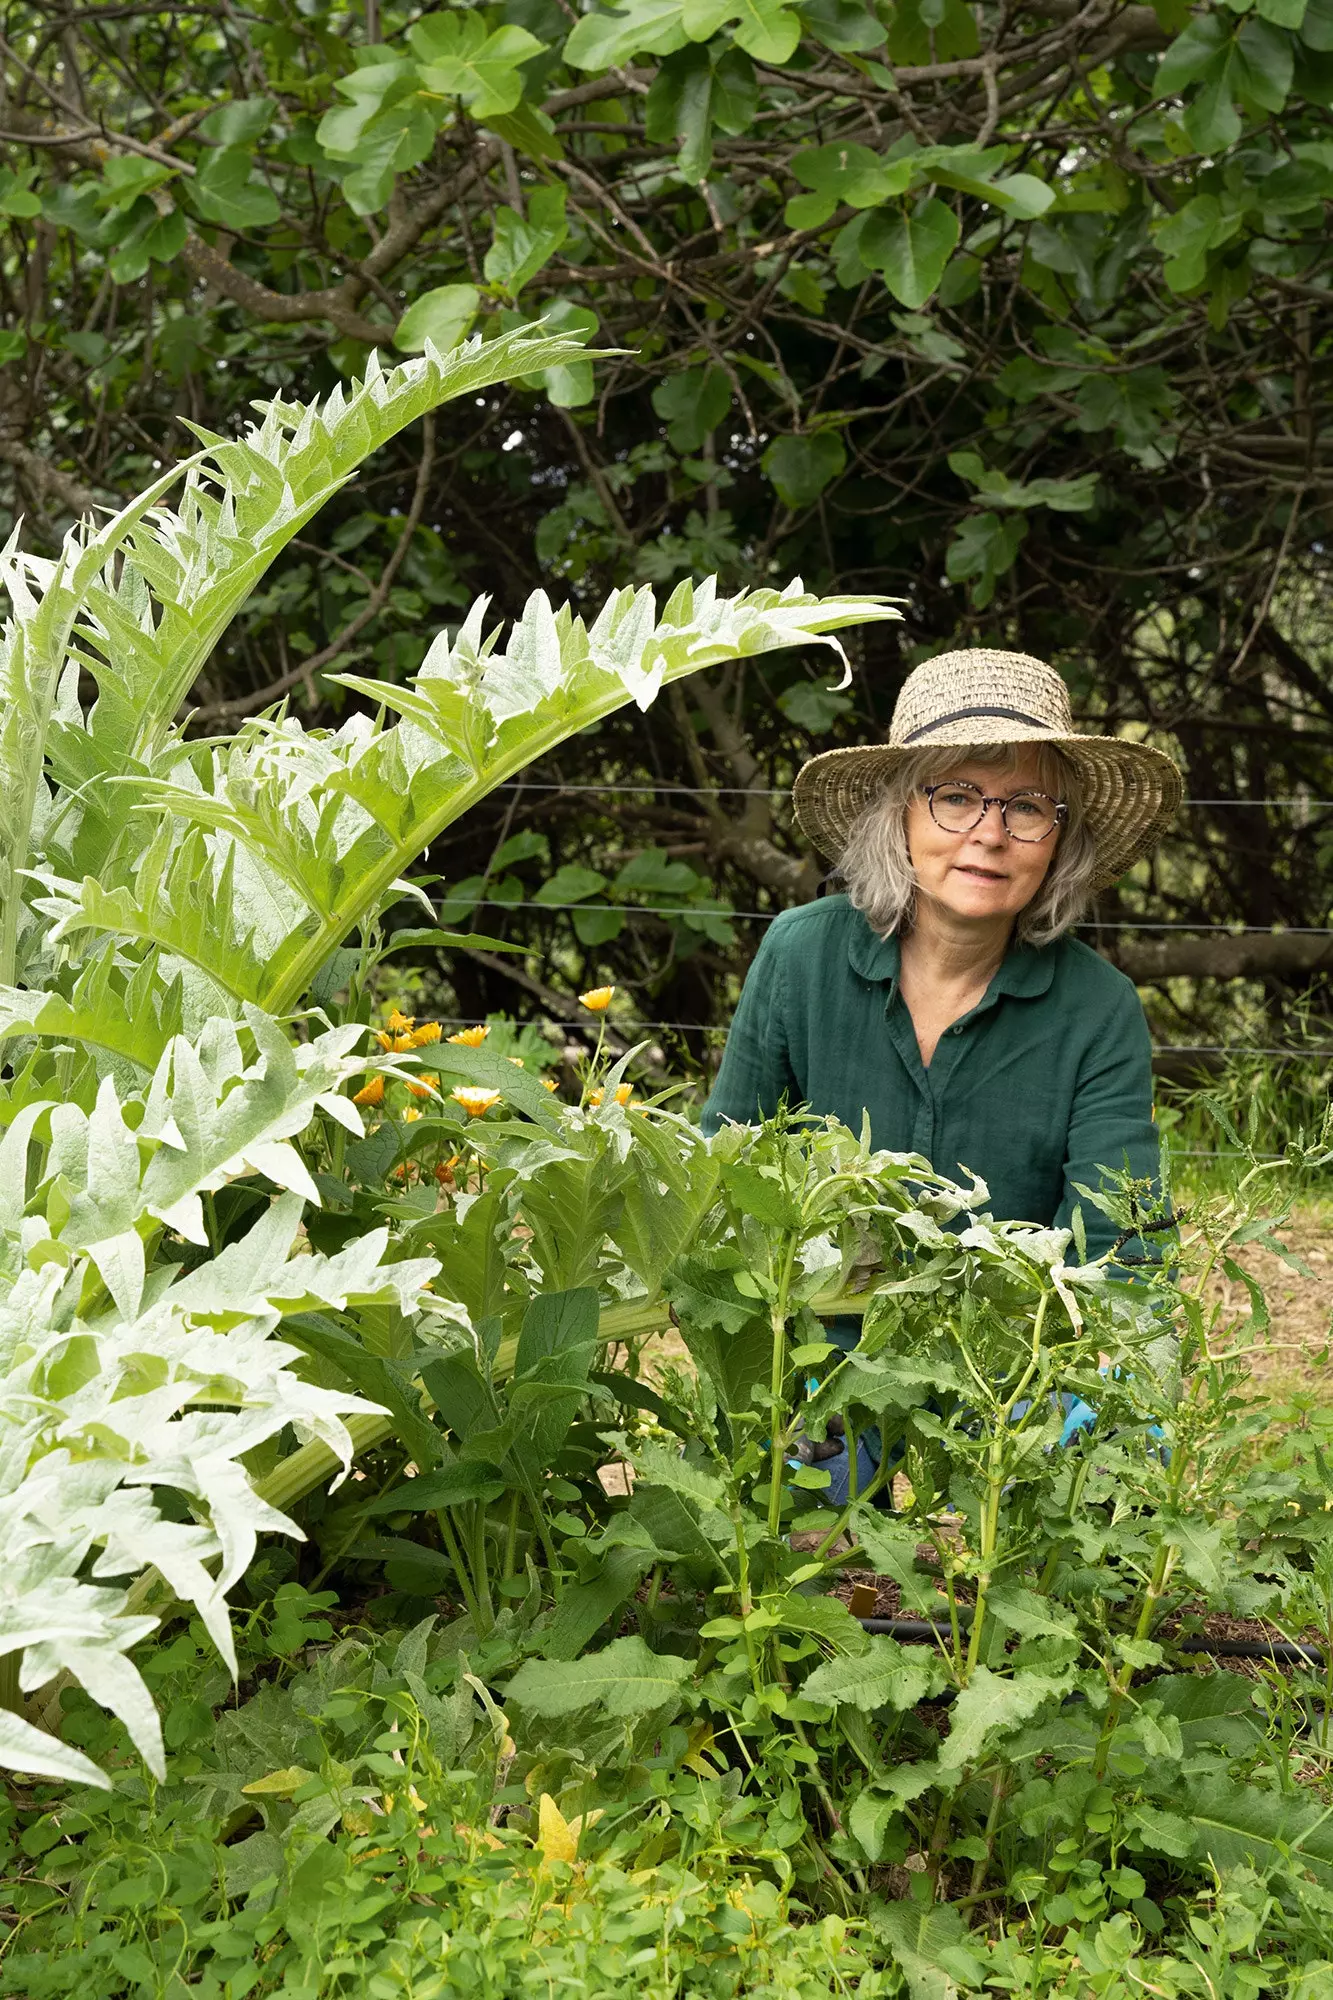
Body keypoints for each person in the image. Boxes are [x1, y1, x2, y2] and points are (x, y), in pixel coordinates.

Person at [701, 647, 1182, 1500]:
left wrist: (1098, 1400)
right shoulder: (799, 954)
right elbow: (717, 1176)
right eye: (955, 796)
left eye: (1025, 807)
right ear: (899, 817)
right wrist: (767, 1359)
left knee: (1094, 1498)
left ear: (1057, 839)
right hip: (822, 1353)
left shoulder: (1099, 1007)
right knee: (798, 1532)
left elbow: (1128, 1248)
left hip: (1006, 1365)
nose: (987, 834)